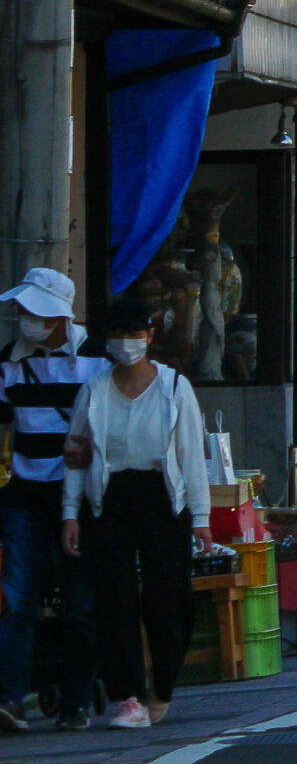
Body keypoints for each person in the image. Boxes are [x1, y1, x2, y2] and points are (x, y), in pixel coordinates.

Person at [59, 296, 207, 732]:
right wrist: (70, 512)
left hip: (162, 498)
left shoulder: (175, 386)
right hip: (109, 498)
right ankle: (127, 696)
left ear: (150, 335)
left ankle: (161, 686)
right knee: (113, 602)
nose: (127, 341)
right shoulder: (94, 390)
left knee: (168, 601)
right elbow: (76, 454)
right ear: (107, 339)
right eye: (118, 333)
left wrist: (200, 517)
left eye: (135, 332)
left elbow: (191, 456)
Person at [0, 267, 105, 730]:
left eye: (34, 311)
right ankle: (10, 698)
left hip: (82, 497)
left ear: (60, 316)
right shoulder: (8, 362)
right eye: (22, 310)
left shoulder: (99, 360)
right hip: (25, 495)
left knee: (83, 604)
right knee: (18, 599)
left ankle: (75, 701)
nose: (26, 319)